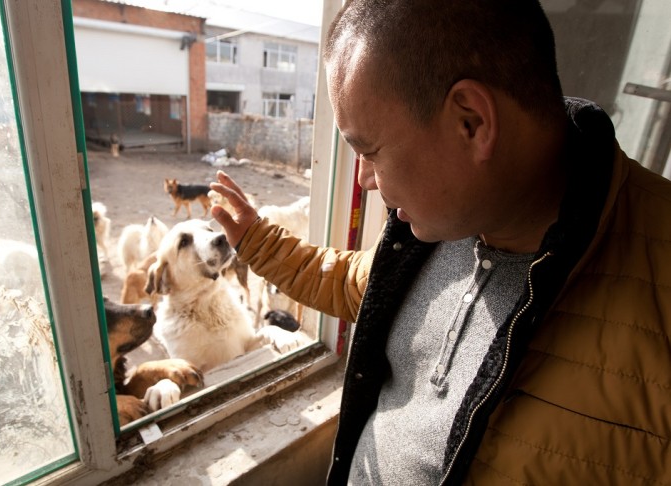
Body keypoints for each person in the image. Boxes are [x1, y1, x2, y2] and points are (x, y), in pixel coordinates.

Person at [210, 0, 671, 484]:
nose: (364, 179)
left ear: (471, 122)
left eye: (369, 151)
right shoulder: (448, 220)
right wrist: (257, 243)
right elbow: (356, 285)